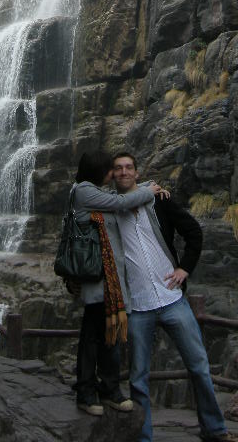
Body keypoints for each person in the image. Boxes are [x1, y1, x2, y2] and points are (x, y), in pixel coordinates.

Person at [112, 151, 235, 442]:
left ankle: (215, 430)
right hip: (138, 305)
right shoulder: (110, 210)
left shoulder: (160, 201)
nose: (124, 172)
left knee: (199, 366)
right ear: (113, 175)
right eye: (118, 169)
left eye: (129, 167)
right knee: (138, 377)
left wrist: (185, 268)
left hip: (172, 298)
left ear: (137, 173)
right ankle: (143, 438)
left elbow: (193, 231)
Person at [69, 150, 167, 417]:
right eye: (111, 169)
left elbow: (120, 198)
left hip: (111, 280)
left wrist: (146, 186)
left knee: (108, 337)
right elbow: (120, 203)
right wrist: (149, 191)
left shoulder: (99, 193)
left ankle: (109, 389)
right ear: (99, 170)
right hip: (97, 278)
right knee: (92, 337)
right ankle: (87, 392)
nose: (115, 174)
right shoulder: (83, 192)